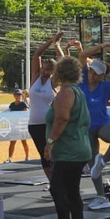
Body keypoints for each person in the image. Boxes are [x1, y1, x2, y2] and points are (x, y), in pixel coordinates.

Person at [74, 41, 110, 210]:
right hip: (85, 127)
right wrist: (102, 46)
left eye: (96, 73)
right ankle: (101, 197)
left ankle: (103, 161)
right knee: (92, 165)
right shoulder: (81, 80)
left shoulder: (105, 86)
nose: (92, 75)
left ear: (102, 76)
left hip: (102, 123)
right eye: (91, 71)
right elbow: (82, 56)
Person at [44, 56, 92, 219]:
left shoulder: (65, 93)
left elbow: (62, 119)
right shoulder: (77, 91)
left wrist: (49, 142)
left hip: (69, 150)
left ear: (59, 73)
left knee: (57, 189)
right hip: (80, 149)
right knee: (72, 189)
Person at [28, 32, 65, 186]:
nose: (45, 71)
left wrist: (57, 46)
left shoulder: (54, 82)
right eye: (44, 68)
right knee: (43, 155)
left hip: (49, 124)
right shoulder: (35, 78)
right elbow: (37, 54)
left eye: (49, 69)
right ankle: (53, 184)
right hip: (34, 124)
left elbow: (64, 62)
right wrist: (50, 40)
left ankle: (60, 182)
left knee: (53, 154)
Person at [5, 90, 31, 163]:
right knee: (12, 142)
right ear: (14, 96)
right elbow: (9, 114)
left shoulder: (23, 104)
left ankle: (27, 156)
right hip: (14, 126)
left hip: (22, 126)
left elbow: (26, 114)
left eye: (20, 95)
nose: (18, 96)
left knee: (24, 142)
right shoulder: (12, 105)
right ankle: (10, 158)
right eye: (17, 95)